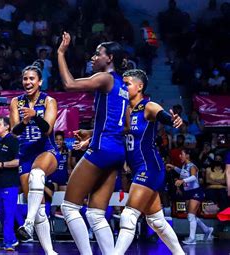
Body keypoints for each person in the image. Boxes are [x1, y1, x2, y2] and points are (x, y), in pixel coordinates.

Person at [57, 32, 128, 255]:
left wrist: (60, 53)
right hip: (117, 151)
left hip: (102, 149)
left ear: (110, 59)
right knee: (96, 214)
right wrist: (90, 132)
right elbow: (122, 125)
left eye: (98, 54)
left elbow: (69, 84)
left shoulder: (106, 78)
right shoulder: (122, 85)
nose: (93, 57)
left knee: (69, 207)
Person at [112, 69, 185, 254]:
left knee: (128, 216)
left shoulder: (149, 106)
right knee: (156, 221)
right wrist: (89, 138)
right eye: (123, 83)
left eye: (127, 84)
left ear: (140, 86)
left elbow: (164, 117)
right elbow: (116, 133)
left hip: (150, 167)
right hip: (136, 170)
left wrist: (173, 120)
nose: (124, 87)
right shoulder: (125, 110)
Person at [10, 61, 59, 255]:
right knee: (37, 208)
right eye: (25, 78)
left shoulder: (49, 101)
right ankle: (50, 251)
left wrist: (35, 116)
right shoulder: (16, 102)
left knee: (37, 175)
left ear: (40, 82)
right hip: (25, 154)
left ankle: (27, 224)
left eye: (32, 79)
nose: (27, 82)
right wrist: (24, 120)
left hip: (47, 150)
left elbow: (47, 130)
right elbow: (14, 132)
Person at [166, 149, 214, 245]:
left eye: (181, 154)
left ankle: (192, 239)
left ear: (187, 155)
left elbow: (193, 177)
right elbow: (183, 172)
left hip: (196, 192)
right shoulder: (185, 166)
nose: (180, 156)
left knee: (191, 216)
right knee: (191, 216)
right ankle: (207, 229)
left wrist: (182, 181)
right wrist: (173, 167)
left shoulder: (192, 166)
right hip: (188, 193)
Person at [0, 116, 20, 251]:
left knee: (8, 214)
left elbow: (18, 161)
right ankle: (12, 239)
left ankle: (8, 242)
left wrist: (2, 164)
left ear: (7, 126)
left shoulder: (13, 141)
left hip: (10, 184)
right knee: (2, 214)